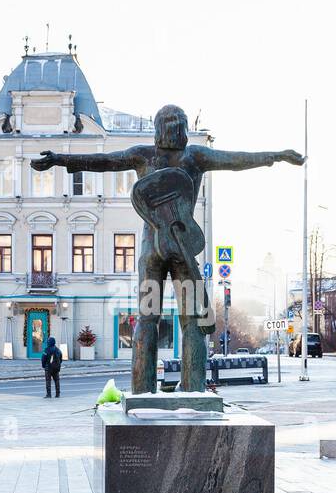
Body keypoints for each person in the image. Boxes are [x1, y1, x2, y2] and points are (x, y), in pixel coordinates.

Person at [32, 105, 302, 393]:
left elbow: (105, 161)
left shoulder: (145, 154)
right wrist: (276, 156)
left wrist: (60, 159)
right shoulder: (195, 156)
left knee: (148, 320)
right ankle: (193, 390)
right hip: (184, 248)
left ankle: (142, 391)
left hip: (153, 250)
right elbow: (235, 159)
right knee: (193, 322)